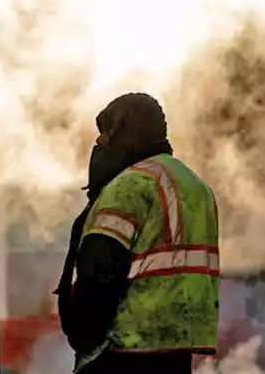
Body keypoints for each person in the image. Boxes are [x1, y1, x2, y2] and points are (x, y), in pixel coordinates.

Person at [55, 92, 221, 374]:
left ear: (126, 130)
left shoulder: (128, 186)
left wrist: (83, 335)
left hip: (123, 351)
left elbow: (99, 274)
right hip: (176, 352)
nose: (99, 141)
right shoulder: (197, 187)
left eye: (107, 131)